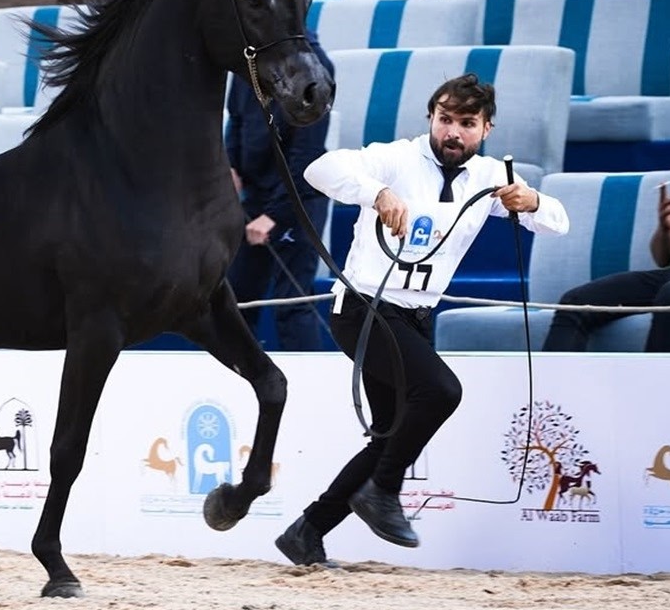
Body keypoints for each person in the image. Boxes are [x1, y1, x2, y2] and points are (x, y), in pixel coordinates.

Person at [273, 73, 570, 566]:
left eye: (466, 123)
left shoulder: (491, 176)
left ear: (486, 129)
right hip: (364, 307)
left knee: (390, 432)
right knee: (440, 392)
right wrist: (377, 194)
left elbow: (558, 221)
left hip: (416, 315)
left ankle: (308, 530)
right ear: (431, 118)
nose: (453, 132)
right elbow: (320, 170)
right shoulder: (396, 158)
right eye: (445, 119)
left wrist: (533, 201)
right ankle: (382, 492)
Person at [543, 105, 670, 353]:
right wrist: (666, 227)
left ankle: (657, 390)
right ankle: (549, 389)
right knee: (576, 303)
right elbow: (663, 258)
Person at [225, 30, 335, 351]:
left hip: (297, 200)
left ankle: (310, 388)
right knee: (236, 301)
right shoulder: (246, 62)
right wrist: (231, 165)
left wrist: (273, 216)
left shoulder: (316, 67)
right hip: (253, 198)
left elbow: (306, 156)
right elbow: (237, 119)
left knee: (292, 304)